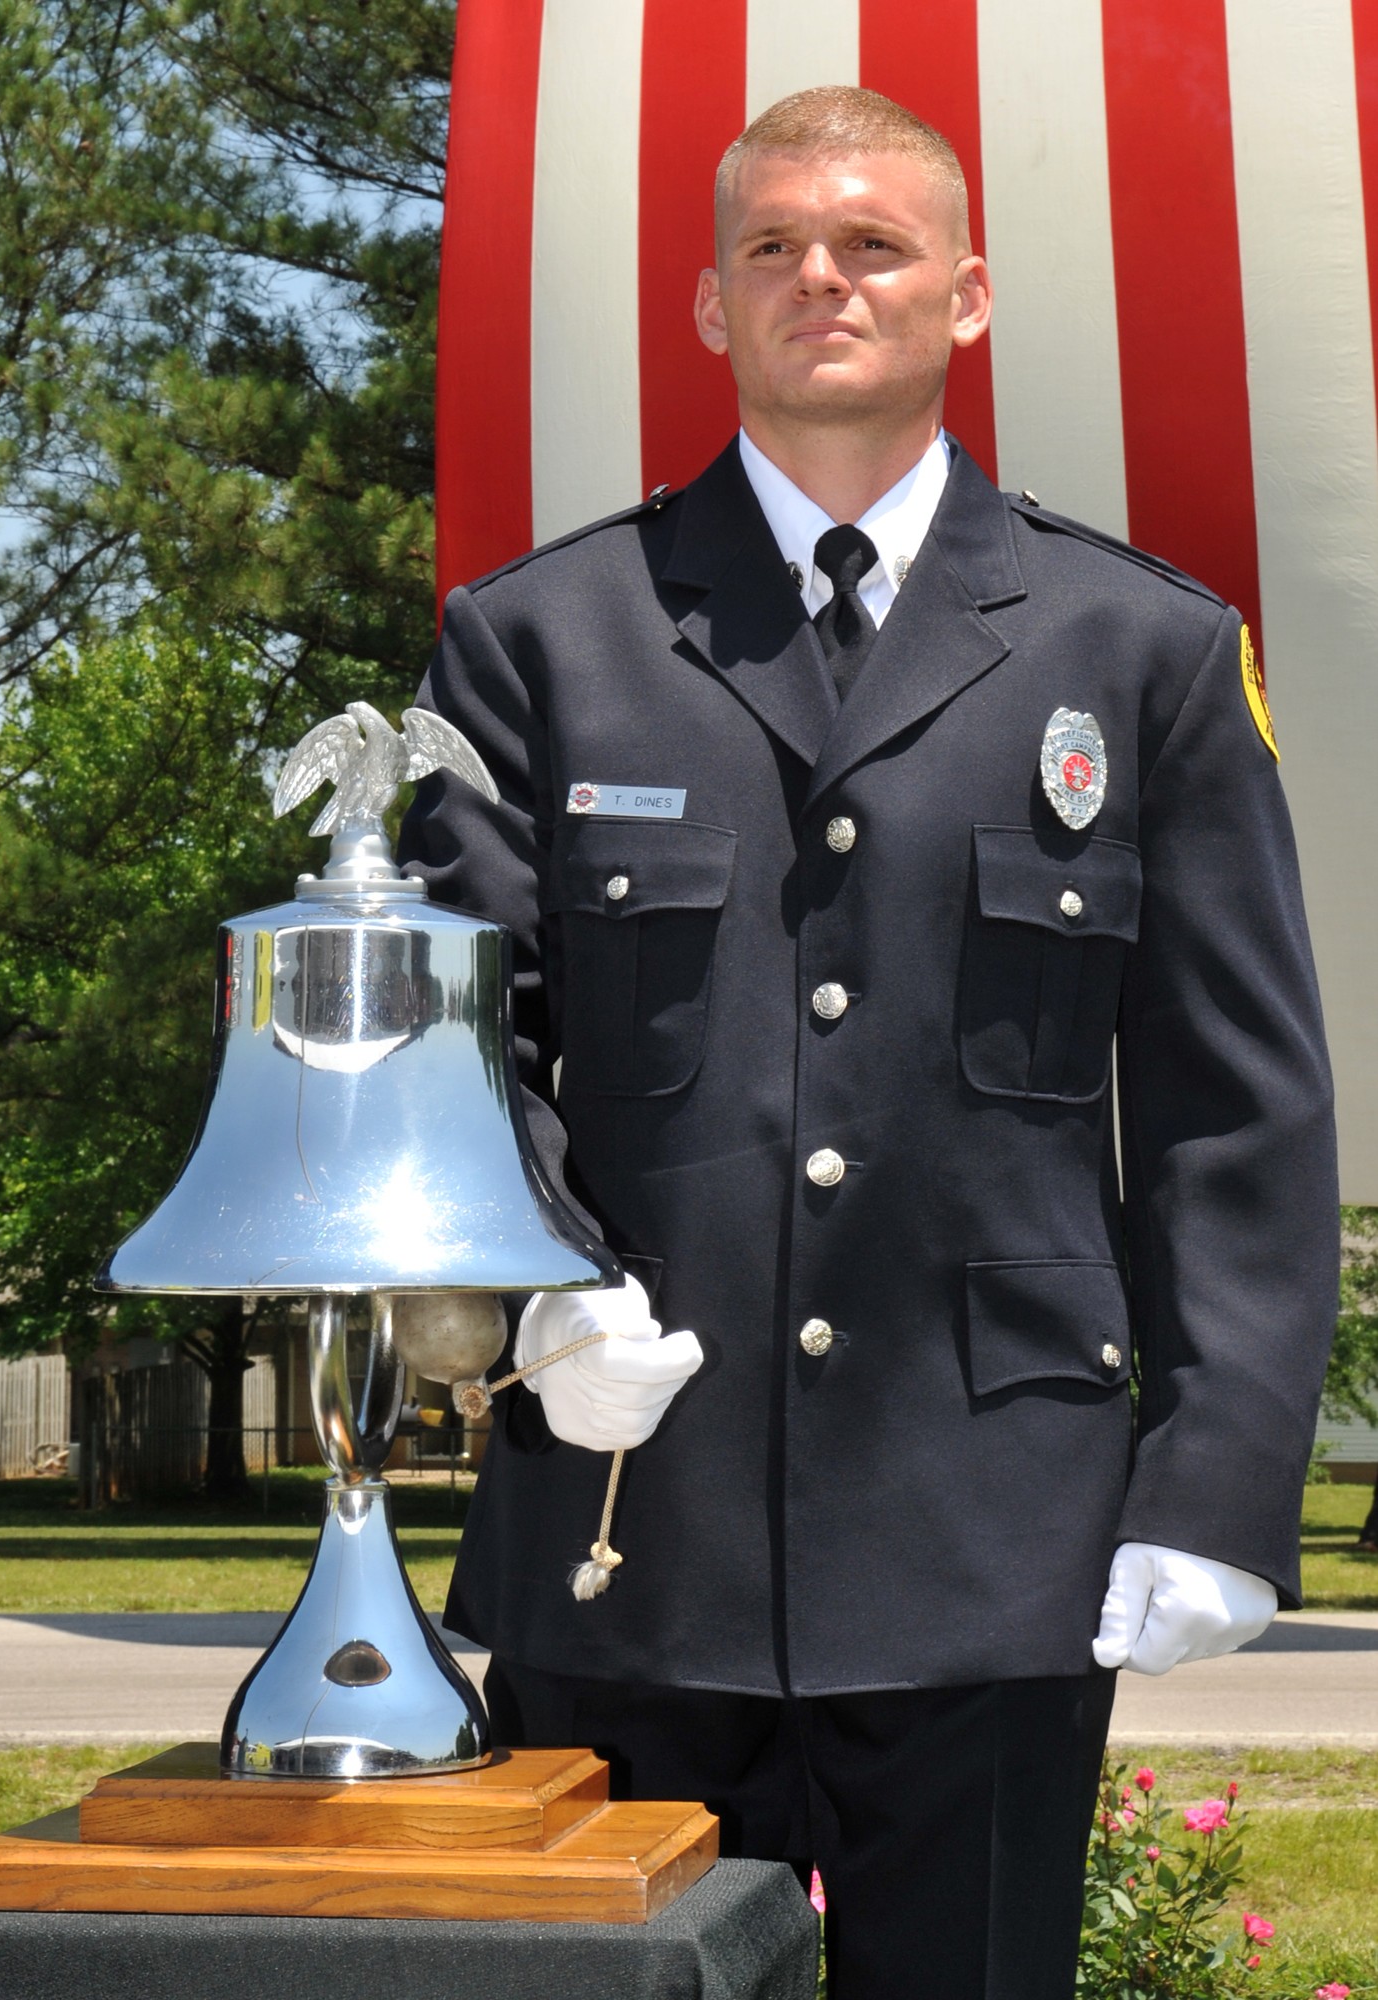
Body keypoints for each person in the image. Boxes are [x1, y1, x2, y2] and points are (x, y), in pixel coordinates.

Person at [398, 86, 1337, 1999]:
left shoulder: (1138, 650)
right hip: (624, 1510)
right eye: (772, 248)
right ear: (707, 307)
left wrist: (1221, 1476)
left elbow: (1235, 1106)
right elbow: (451, 1037)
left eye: (873, 244)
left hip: (992, 1525)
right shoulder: (543, 640)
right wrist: (545, 1291)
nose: (820, 278)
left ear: (969, 294)